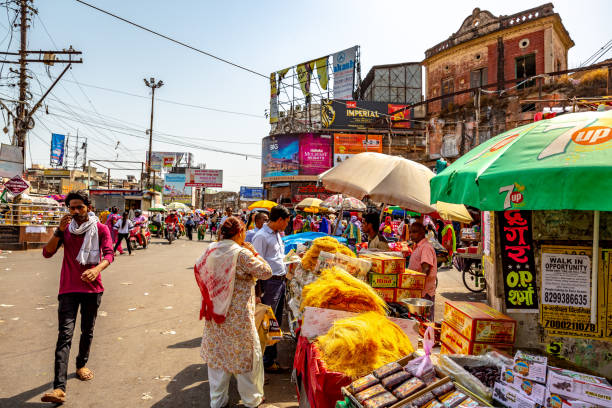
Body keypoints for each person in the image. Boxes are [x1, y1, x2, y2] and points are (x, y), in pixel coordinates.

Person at [40, 191, 114, 404]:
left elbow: (109, 254)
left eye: (79, 207)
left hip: (92, 289)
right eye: (71, 208)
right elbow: (47, 253)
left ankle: (81, 364)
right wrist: (58, 232)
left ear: (88, 207)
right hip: (68, 290)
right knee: (64, 335)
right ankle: (59, 388)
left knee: (87, 331)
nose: (75, 212)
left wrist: (97, 269)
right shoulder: (65, 230)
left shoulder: (100, 229)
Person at [195, 216, 272, 408]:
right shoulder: (242, 254)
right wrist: (254, 252)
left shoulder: (211, 249)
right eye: (244, 232)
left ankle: (218, 401)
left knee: (218, 358)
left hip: (216, 314)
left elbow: (198, 268)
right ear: (240, 233)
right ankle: (251, 400)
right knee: (244, 358)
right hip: (238, 317)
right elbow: (267, 271)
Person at [252, 205, 291, 373]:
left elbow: (277, 257)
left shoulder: (277, 235)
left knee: (274, 323)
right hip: (269, 284)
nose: (287, 226)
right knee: (266, 323)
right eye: (286, 222)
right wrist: (257, 292)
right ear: (280, 220)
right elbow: (255, 265)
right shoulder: (261, 236)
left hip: (280, 282)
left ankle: (270, 359)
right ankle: (263, 362)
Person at [408, 222, 438, 321]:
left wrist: (416, 282)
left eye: (414, 232)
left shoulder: (426, 247)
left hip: (424, 293)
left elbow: (426, 269)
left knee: (424, 322)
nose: (411, 234)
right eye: (410, 232)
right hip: (418, 292)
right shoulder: (418, 246)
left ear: (422, 233)